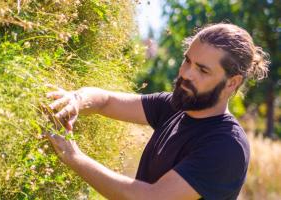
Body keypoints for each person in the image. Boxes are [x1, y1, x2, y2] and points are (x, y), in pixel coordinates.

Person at [45, 23, 270, 200]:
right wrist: (75, 99)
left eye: (202, 70)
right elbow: (106, 101)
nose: (186, 73)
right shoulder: (175, 105)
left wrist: (73, 156)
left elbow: (149, 197)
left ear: (232, 83)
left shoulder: (226, 146)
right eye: (187, 60)